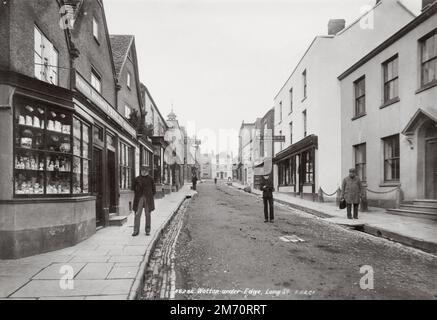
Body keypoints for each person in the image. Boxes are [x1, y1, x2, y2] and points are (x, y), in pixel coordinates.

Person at [132, 166, 156, 236]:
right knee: (137, 214)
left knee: (147, 214)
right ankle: (136, 231)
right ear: (140, 171)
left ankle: (147, 230)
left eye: (145, 170)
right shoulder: (137, 179)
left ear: (148, 171)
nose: (144, 171)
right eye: (142, 170)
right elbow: (133, 188)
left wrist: (150, 196)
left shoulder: (151, 179)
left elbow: (154, 190)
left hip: (148, 198)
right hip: (139, 198)